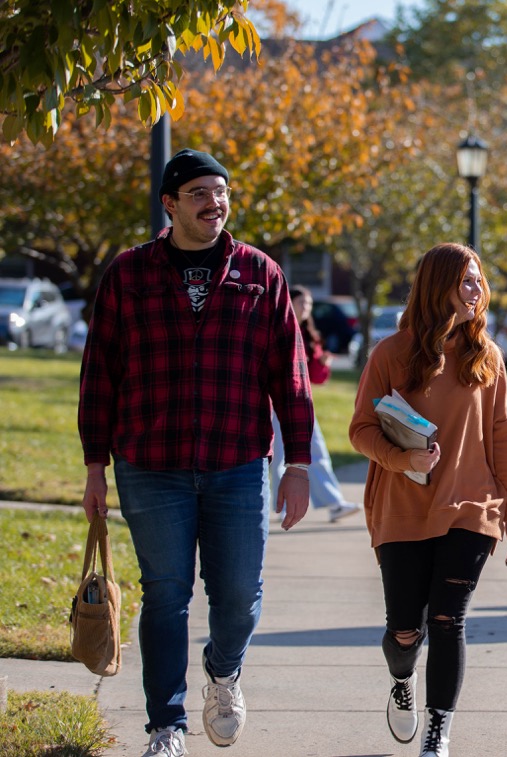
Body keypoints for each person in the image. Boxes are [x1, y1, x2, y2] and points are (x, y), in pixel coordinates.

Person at [79, 148, 314, 757]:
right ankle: (166, 725)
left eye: (221, 192)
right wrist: (94, 467)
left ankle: (224, 670)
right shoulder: (128, 275)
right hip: (149, 465)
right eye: (199, 194)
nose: (215, 204)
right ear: (170, 204)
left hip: (237, 463)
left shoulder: (261, 274)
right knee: (166, 593)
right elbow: (99, 373)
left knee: (238, 594)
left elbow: (288, 375)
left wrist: (298, 465)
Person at [349, 243, 507, 757]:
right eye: (465, 281)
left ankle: (438, 730)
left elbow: (506, 435)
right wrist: (404, 461)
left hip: (472, 506)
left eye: (478, 281)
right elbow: (360, 429)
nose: (477, 291)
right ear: (437, 286)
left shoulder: (485, 357)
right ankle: (403, 677)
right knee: (406, 631)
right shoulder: (391, 354)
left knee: (449, 618)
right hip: (402, 507)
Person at [269, 284, 361, 522]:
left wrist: (324, 363)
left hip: (301, 405)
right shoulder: (276, 328)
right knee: (280, 458)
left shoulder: (309, 335)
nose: (306, 308)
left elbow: (315, 378)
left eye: (309, 304)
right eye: (302, 303)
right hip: (277, 405)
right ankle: (284, 506)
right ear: (289, 302)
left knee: (317, 452)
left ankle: (334, 503)